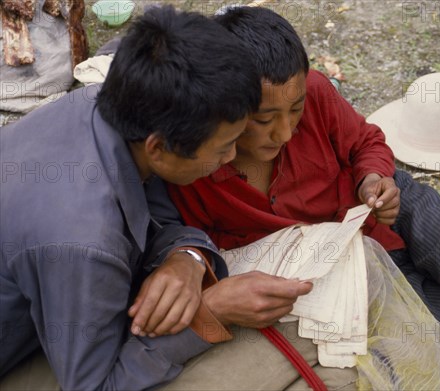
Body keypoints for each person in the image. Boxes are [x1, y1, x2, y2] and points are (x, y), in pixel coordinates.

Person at [168, 5, 440, 378]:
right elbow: (200, 248)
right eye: (263, 119)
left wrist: (374, 178)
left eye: (295, 111)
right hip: (359, 276)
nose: (283, 132)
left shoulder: (318, 91)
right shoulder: (196, 166)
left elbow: (368, 143)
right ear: (224, 103)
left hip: (387, 212)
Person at [0, 6, 313, 390]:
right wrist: (211, 311)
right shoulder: (84, 242)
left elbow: (153, 208)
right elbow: (94, 386)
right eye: (223, 148)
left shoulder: (119, 100)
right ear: (159, 148)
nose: (231, 158)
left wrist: (187, 255)